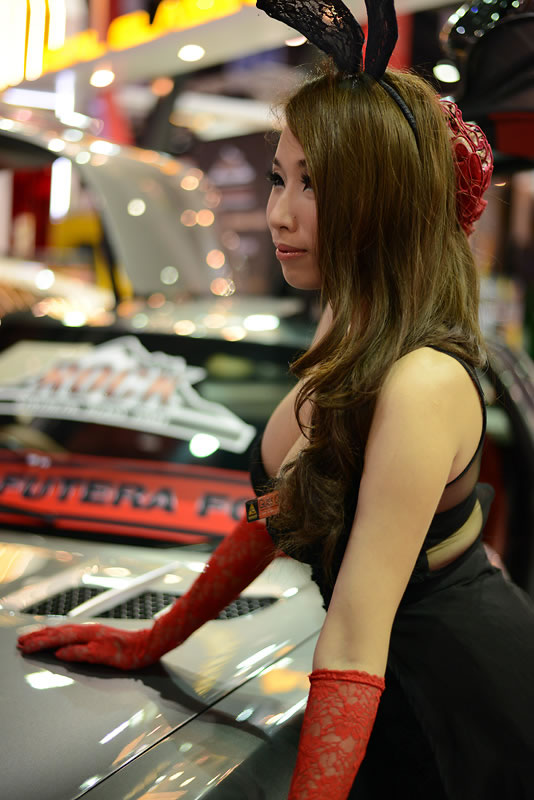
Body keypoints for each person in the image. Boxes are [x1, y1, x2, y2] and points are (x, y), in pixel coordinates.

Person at [17, 1, 534, 798]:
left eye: (314, 185)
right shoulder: (348, 333)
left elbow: (355, 633)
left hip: (455, 707)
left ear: (381, 199)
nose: (278, 215)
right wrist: (154, 638)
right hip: (385, 689)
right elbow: (278, 513)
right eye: (279, 178)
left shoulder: (421, 381)